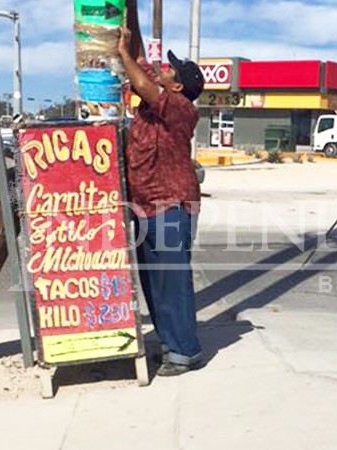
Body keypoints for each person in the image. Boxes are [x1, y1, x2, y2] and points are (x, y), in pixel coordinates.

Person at [116, 14, 206, 376]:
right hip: (145, 206)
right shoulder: (154, 106)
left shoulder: (181, 108)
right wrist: (130, 20)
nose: (163, 70)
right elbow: (141, 65)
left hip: (170, 204)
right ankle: (170, 344)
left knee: (172, 280)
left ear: (178, 86)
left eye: (170, 70)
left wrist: (122, 53)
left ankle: (186, 351)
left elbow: (139, 76)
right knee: (153, 281)